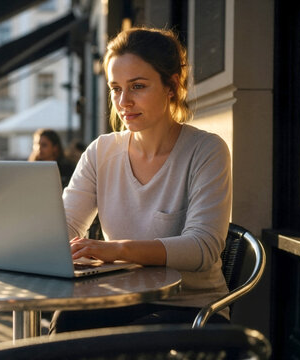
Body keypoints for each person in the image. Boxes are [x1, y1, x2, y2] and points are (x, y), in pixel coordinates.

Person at [50, 27, 232, 333]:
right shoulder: (100, 151)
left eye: (137, 86)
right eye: (115, 88)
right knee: (65, 321)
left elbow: (201, 248)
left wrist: (116, 249)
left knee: (120, 340)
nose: (123, 102)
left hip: (191, 307)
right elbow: (63, 226)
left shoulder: (207, 150)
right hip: (120, 298)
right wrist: (46, 241)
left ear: (171, 86)